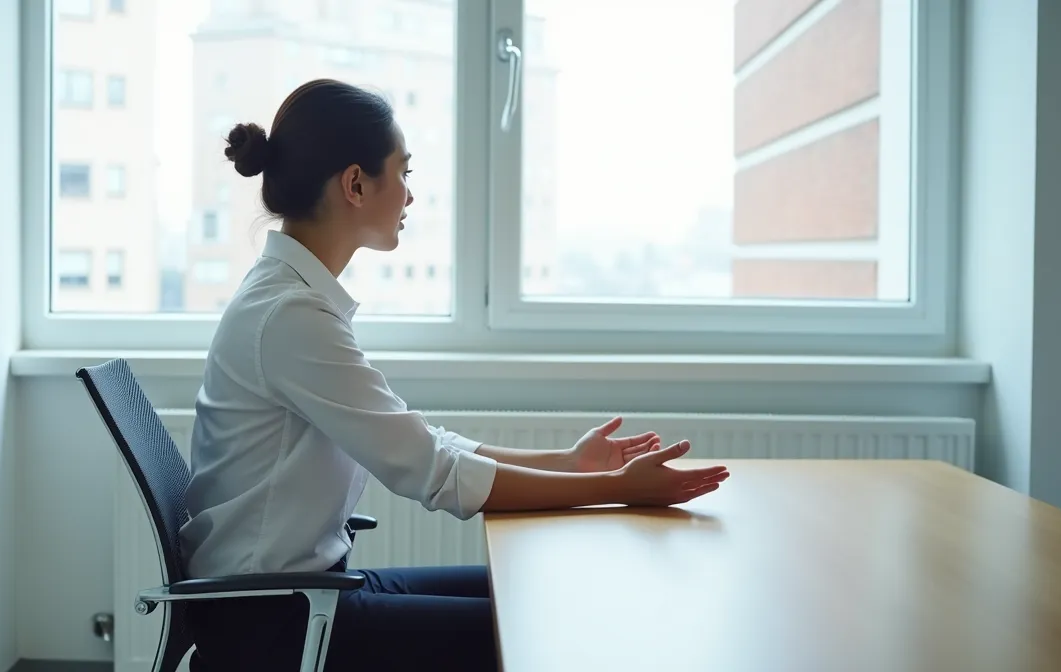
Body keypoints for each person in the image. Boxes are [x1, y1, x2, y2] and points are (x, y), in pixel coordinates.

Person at [180, 79, 730, 672]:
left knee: (531, 589)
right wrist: (618, 489)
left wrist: (567, 463)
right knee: (541, 626)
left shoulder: (291, 300)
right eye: (404, 173)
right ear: (356, 184)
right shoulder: (289, 316)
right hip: (273, 625)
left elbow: (421, 443)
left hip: (306, 596)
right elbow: (435, 473)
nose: (411, 197)